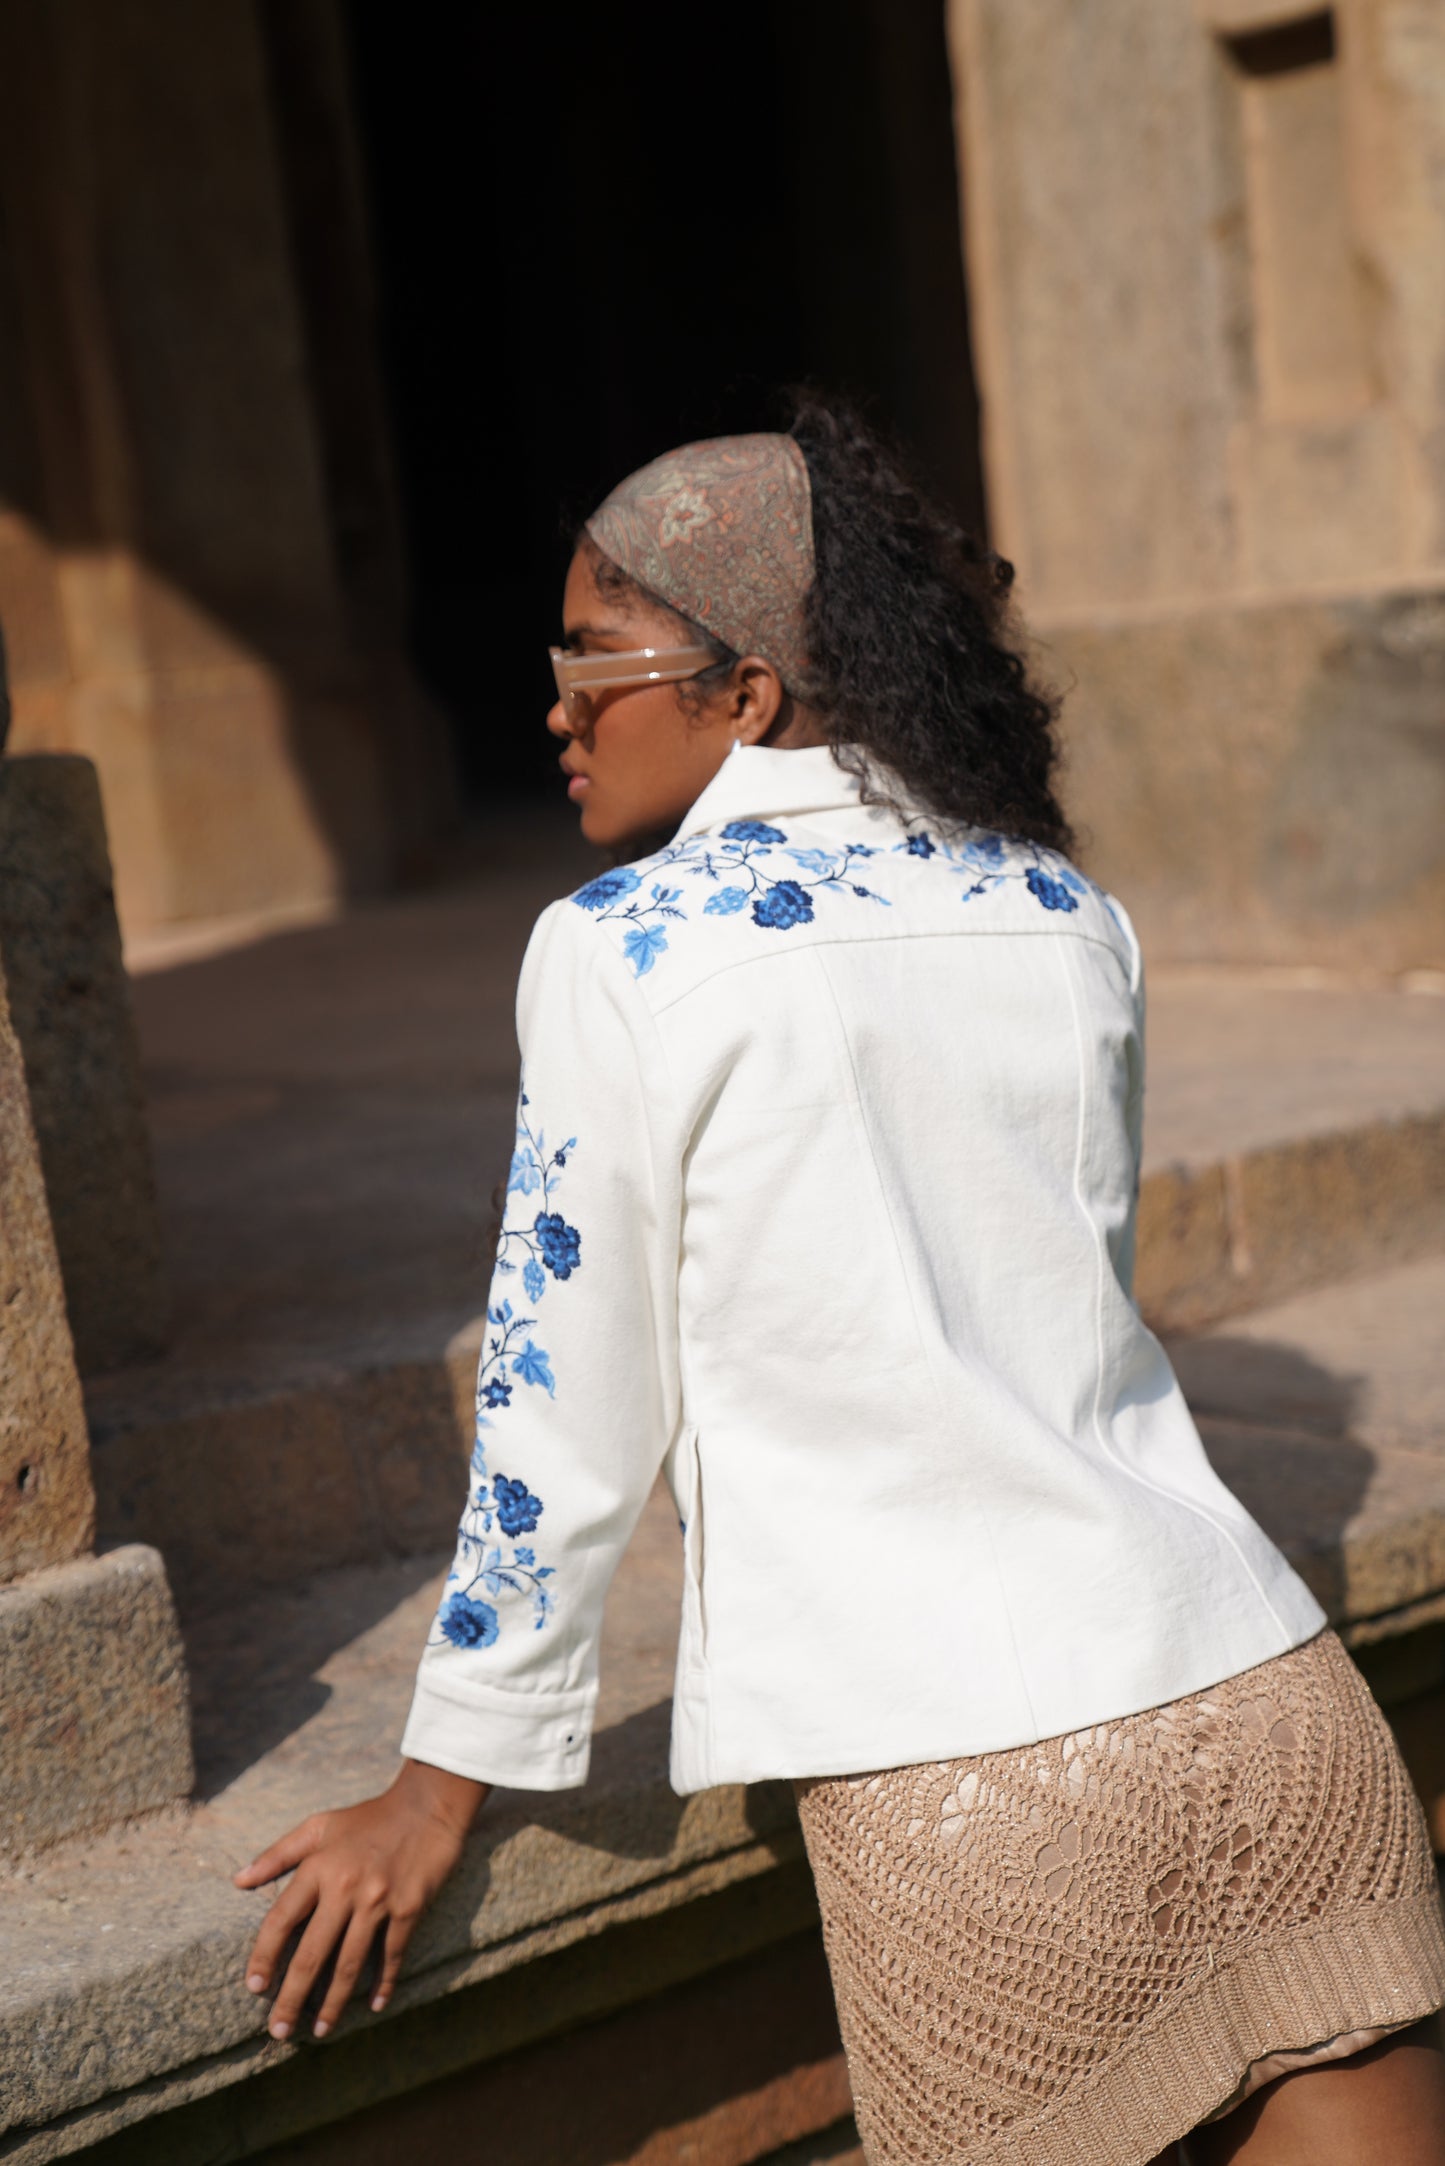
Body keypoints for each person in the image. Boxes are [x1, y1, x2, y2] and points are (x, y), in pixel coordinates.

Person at [237, 400, 1445, 2165]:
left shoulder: (621, 952)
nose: (557, 702)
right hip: (1264, 1708)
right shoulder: (1056, 904)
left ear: (747, 691)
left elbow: (561, 1404)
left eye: (596, 653)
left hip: (969, 1800)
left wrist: (439, 1791)